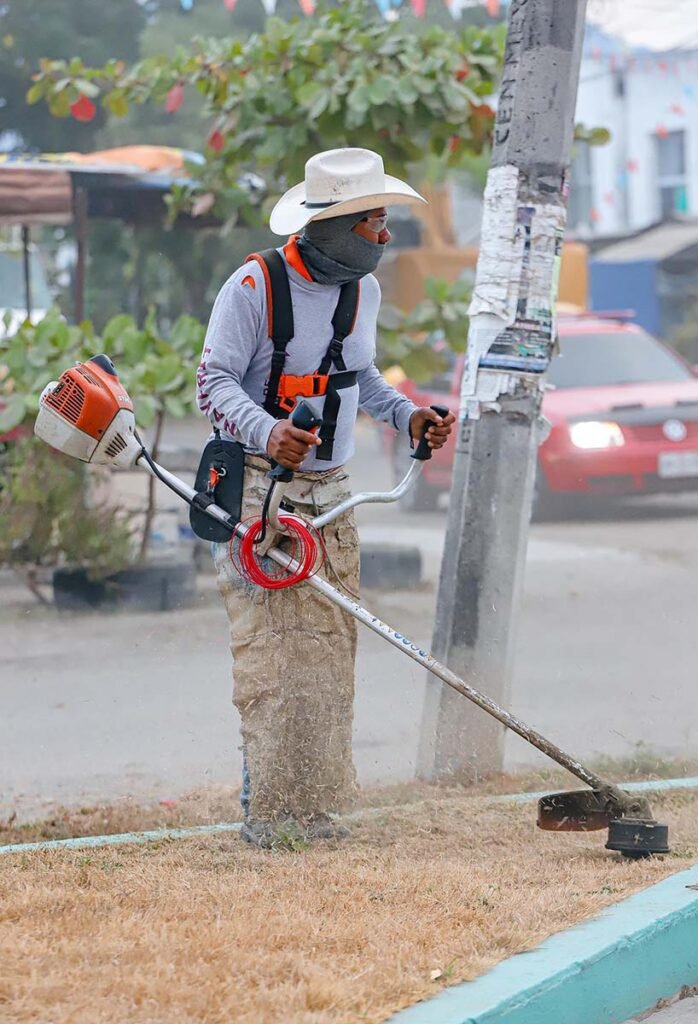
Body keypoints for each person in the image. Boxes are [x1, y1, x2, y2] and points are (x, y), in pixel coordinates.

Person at [197, 148, 455, 848]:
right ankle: (266, 815)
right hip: (260, 488)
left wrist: (409, 418)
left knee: (327, 650)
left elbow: (362, 380)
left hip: (331, 492)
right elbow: (213, 383)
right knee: (275, 654)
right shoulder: (253, 287)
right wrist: (269, 430)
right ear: (337, 226)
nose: (385, 235)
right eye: (375, 222)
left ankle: (312, 810)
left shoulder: (361, 292)